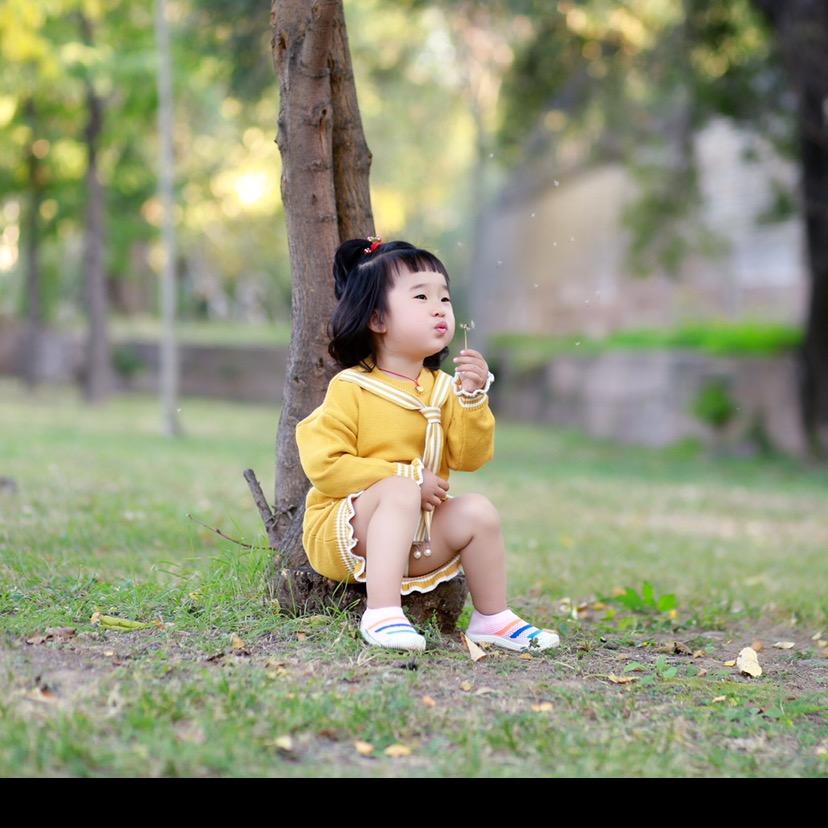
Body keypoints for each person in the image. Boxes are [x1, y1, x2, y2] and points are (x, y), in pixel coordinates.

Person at [295, 236, 560, 654]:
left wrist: (472, 399)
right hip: (349, 534)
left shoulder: (446, 391)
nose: (440, 308)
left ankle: (493, 618)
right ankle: (382, 613)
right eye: (421, 297)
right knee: (400, 488)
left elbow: (470, 458)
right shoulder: (353, 388)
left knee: (477, 511)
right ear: (378, 320)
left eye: (445, 298)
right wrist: (405, 478)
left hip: (418, 538)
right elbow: (325, 466)